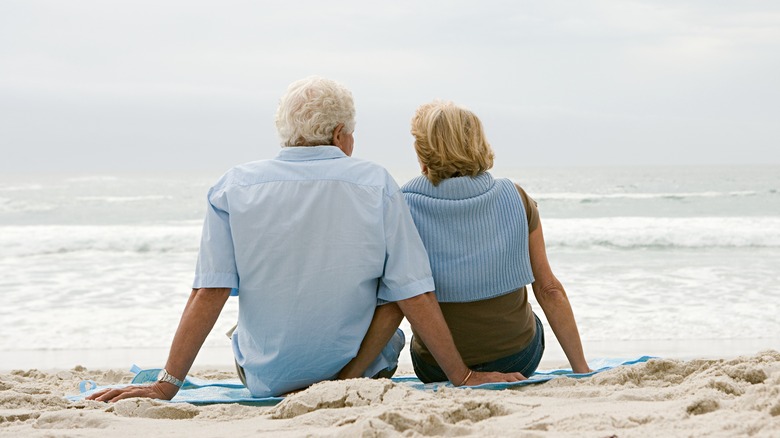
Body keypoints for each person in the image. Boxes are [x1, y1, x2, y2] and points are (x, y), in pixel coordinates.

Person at [87, 78, 523, 402]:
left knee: (250, 318)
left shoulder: (233, 187)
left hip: (265, 378)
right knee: (385, 298)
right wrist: (462, 376)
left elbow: (210, 291)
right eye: (351, 133)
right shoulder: (376, 183)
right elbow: (413, 292)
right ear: (339, 135)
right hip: (363, 373)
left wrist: (167, 384)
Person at [400, 100, 591, 382]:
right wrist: (582, 372)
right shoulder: (515, 197)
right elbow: (549, 289)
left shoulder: (403, 206)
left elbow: (401, 297)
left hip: (436, 367)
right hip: (518, 359)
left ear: (423, 151)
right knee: (530, 321)